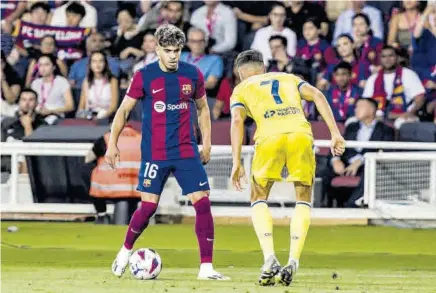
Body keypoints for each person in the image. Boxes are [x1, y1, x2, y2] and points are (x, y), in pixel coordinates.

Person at [107, 24, 229, 281]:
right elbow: (123, 110)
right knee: (148, 207)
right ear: (157, 49)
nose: (173, 55)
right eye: (168, 50)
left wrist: (206, 143)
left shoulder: (193, 74)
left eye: (177, 50)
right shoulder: (144, 76)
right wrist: (112, 144)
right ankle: (125, 251)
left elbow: (204, 110)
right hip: (155, 153)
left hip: (186, 151)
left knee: (203, 202)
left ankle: (206, 267)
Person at [229, 50, 345, 286]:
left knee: (258, 196)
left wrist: (236, 161)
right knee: (303, 197)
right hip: (301, 135)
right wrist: (335, 133)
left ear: (240, 73)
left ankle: (269, 257)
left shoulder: (241, 89)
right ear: (263, 68)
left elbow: (237, 120)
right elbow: (317, 95)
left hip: (269, 137)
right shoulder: (287, 77)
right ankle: (293, 261)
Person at [324, 98, 394, 207]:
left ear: (371, 110)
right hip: (346, 164)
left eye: (360, 107)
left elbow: (382, 152)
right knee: (323, 172)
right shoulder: (351, 127)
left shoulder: (386, 130)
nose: (356, 110)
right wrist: (336, 160)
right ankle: (317, 206)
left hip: (367, 166)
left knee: (370, 174)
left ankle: (351, 207)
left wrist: (359, 161)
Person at [362, 45, 426, 121]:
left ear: (397, 58)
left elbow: (420, 98)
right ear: (379, 59)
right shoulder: (373, 79)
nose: (387, 59)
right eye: (383, 57)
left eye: (391, 56)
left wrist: (410, 113)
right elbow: (365, 102)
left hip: (403, 116)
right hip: (377, 118)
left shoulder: (408, 74)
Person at [1, 88, 46, 173]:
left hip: (31, 165)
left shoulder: (43, 125)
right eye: (24, 100)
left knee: (26, 163)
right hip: (8, 164)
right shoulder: (6, 123)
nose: (27, 103)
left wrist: (28, 126)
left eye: (31, 100)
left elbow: (35, 152)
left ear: (36, 103)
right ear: (19, 102)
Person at [30, 54, 74, 124]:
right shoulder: (35, 83)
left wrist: (51, 111)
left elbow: (70, 106)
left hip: (56, 116)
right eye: (40, 65)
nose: (43, 68)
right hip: (38, 115)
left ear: (53, 67)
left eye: (46, 65)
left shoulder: (62, 81)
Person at [76, 51, 119, 121]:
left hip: (107, 117)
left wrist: (100, 117)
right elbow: (81, 107)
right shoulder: (86, 81)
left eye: (100, 61)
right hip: (90, 117)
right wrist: (85, 115)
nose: (97, 64)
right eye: (94, 61)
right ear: (90, 64)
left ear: (105, 64)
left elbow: (113, 107)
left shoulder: (112, 80)